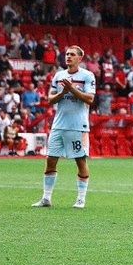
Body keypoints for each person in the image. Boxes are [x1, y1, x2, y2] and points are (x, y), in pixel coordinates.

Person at [31, 45, 95, 209]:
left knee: (80, 160)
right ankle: (46, 198)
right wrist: (63, 92)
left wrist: (72, 89)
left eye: (72, 54)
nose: (68, 57)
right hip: (58, 125)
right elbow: (50, 99)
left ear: (80, 58)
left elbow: (89, 99)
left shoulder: (87, 76)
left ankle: (81, 199)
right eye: (67, 54)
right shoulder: (59, 75)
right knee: (51, 159)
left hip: (77, 126)